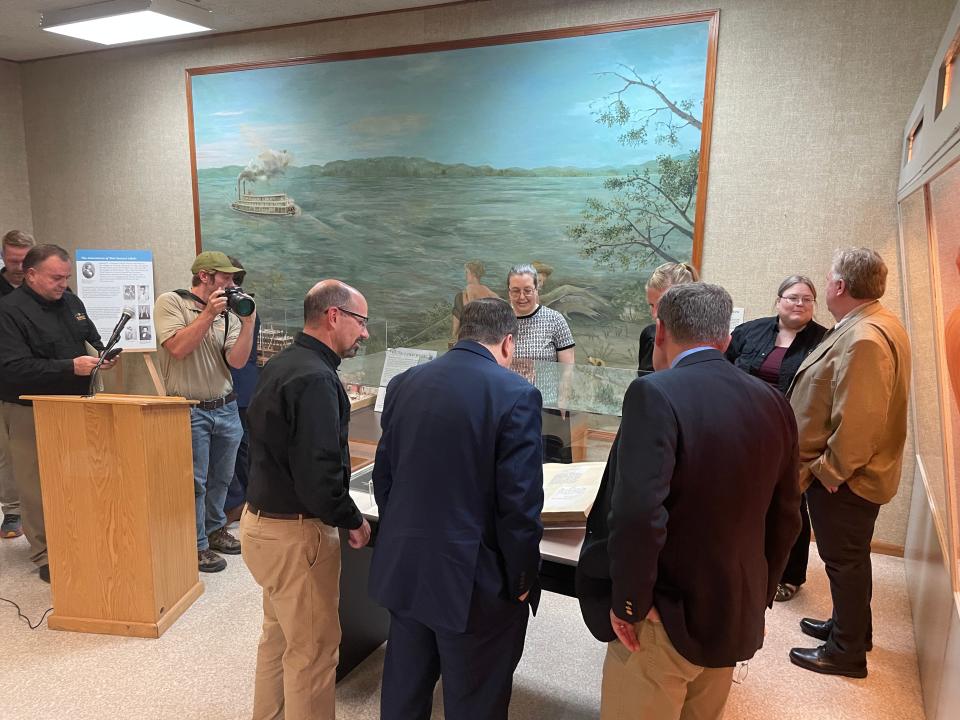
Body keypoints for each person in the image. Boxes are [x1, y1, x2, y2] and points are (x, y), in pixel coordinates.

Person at [577, 283, 801, 720]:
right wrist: (756, 594)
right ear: (727, 338)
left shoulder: (654, 393)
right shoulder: (774, 402)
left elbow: (637, 512)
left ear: (660, 331)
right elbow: (786, 514)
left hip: (662, 616)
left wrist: (629, 602)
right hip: (731, 610)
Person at [369, 297, 544, 720]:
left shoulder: (404, 382)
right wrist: (522, 577)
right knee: (474, 699)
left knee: (404, 691)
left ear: (460, 333)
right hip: (474, 582)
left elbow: (385, 476)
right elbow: (519, 505)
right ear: (507, 342)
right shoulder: (517, 394)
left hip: (407, 568)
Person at [240, 279, 372, 720]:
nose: (365, 333)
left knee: (278, 638)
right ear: (334, 316)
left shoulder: (283, 363)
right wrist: (351, 519)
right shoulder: (316, 378)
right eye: (361, 321)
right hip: (296, 536)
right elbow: (320, 471)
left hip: (259, 526)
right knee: (314, 653)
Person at [788, 248, 911, 679]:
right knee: (852, 559)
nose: (824, 285)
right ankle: (852, 630)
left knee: (844, 561)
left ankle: (845, 653)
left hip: (846, 480)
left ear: (840, 286)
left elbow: (859, 423)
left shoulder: (864, 337)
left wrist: (829, 473)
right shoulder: (873, 322)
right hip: (850, 476)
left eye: (828, 277)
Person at [0, 244, 116, 582]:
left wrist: (104, 355)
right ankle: (45, 553)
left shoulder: (71, 302)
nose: (62, 284)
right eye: (55, 278)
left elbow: (91, 338)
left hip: (76, 402)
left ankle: (77, 537)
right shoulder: (8, 311)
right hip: (28, 406)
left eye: (66, 277)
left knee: (77, 476)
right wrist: (70, 366)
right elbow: (12, 367)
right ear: (31, 274)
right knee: (37, 483)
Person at [154, 251, 257, 573]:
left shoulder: (227, 313)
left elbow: (237, 361)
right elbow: (178, 349)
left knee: (221, 479)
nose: (231, 283)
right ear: (204, 276)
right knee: (194, 482)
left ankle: (214, 530)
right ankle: (195, 544)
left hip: (224, 408)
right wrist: (207, 315)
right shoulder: (171, 303)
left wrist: (248, 321)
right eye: (225, 277)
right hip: (189, 409)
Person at [726, 274, 827, 602]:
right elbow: (721, 368)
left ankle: (790, 574)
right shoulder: (749, 332)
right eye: (793, 297)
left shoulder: (825, 342)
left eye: (807, 299)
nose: (799, 303)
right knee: (741, 499)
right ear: (778, 300)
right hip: (743, 432)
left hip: (791, 437)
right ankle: (739, 561)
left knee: (789, 504)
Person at [0, 230, 35, 540]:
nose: (20, 267)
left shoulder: (42, 290)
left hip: (38, 379)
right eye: (13, 261)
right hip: (4, 380)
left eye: (26, 261)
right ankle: (12, 511)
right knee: (7, 452)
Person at [223, 257, 260, 524]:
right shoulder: (247, 305)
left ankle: (238, 503)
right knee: (243, 449)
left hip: (236, 387)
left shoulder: (236, 308)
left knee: (237, 450)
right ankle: (245, 500)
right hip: (246, 386)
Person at [637, 261, 698, 374]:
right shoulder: (651, 336)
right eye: (652, 305)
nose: (655, 314)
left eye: (662, 305)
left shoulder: (704, 341)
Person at [507, 263, 575, 363]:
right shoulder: (497, 320)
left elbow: (567, 370)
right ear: (509, 292)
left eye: (527, 290)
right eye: (516, 291)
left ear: (536, 290)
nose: (521, 297)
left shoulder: (555, 319)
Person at [450, 259, 499, 342]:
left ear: (472, 274)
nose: (465, 276)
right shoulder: (485, 288)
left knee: (458, 298)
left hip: (475, 323)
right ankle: (454, 335)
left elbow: (470, 308)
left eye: (467, 273)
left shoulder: (470, 287)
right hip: (486, 322)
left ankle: (454, 335)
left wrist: (464, 296)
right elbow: (499, 300)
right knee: (459, 297)